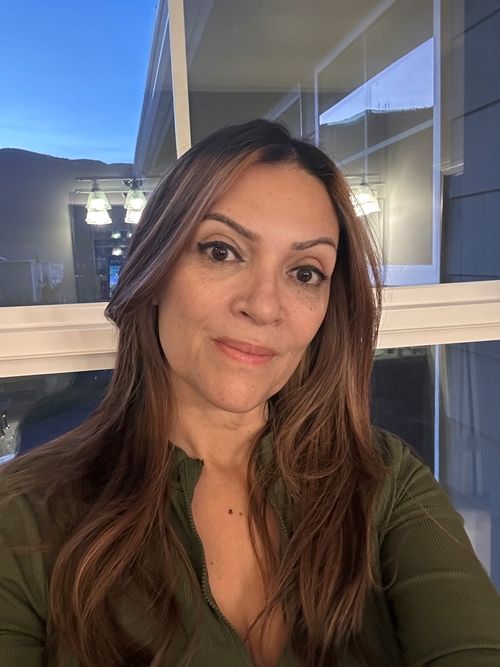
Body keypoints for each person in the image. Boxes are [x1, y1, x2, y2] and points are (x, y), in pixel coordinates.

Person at [0, 119, 499, 667]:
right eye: (221, 251)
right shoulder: (23, 519)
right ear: (157, 270)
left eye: (305, 273)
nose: (263, 306)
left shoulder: (386, 482)